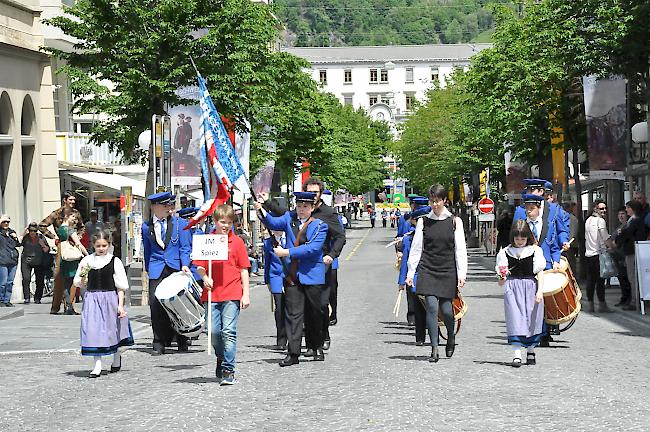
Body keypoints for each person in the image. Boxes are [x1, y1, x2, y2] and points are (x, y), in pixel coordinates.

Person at [255, 191, 328, 367]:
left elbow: (312, 249)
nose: (301, 209)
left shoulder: (319, 225)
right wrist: (262, 209)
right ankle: (293, 352)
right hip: (293, 276)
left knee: (314, 313)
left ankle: (316, 345)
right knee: (293, 315)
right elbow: (272, 222)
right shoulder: (289, 218)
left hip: (311, 275)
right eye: (299, 206)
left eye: (305, 206)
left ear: (312, 208)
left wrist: (287, 252)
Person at [185, 204, 250, 385]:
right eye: (223, 222)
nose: (226, 226)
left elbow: (244, 269)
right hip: (212, 294)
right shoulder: (207, 241)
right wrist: (204, 276)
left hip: (232, 291)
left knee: (228, 331)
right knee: (214, 332)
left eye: (229, 222)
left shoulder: (237, 242)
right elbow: (199, 265)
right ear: (215, 221)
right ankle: (221, 357)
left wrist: (246, 294)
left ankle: (229, 369)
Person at [406, 184, 468, 363]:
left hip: (447, 269)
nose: (434, 205)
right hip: (428, 268)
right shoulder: (423, 222)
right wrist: (411, 273)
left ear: (444, 201)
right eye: (432, 201)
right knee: (432, 307)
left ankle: (450, 336)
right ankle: (434, 348)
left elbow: (460, 250)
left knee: (447, 310)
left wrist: (462, 273)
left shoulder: (455, 222)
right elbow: (417, 249)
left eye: (437, 201)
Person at [73, 230, 134, 377]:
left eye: (104, 245)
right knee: (93, 331)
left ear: (109, 245)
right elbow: (78, 282)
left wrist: (120, 305)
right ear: (93, 245)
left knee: (112, 330)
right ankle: (97, 364)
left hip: (110, 299)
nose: (101, 248)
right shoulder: (87, 261)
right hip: (92, 299)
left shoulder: (115, 261)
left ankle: (116, 357)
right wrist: (83, 281)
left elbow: (121, 287)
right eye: (98, 245)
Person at [141, 191, 191, 355]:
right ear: (155, 207)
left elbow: (185, 247)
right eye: (165, 205)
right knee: (155, 306)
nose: (169, 208)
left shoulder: (180, 223)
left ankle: (182, 339)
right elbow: (147, 251)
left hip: (175, 267)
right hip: (157, 269)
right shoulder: (146, 226)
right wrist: (149, 269)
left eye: (170, 205)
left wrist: (185, 265)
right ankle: (158, 341)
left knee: (178, 305)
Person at [496, 220, 546, 367]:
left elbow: (540, 273)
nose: (519, 242)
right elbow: (500, 281)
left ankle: (531, 350)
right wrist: (502, 277)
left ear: (527, 238)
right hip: (512, 288)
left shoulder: (535, 251)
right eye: (517, 239)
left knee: (532, 319)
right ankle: (517, 353)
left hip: (531, 287)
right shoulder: (505, 253)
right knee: (515, 319)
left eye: (522, 239)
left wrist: (540, 291)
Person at [39, 191, 85, 314]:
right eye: (70, 200)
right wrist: (54, 236)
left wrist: (78, 237)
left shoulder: (76, 213)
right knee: (59, 277)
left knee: (73, 277)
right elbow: (42, 225)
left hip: (73, 246)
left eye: (74, 200)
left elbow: (81, 227)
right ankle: (56, 306)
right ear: (65, 200)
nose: (73, 202)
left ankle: (70, 306)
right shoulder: (57, 213)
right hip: (62, 246)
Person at [398, 216, 427, 345]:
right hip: (416, 275)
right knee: (417, 305)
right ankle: (420, 336)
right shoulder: (409, 239)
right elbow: (405, 261)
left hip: (434, 275)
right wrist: (402, 281)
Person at [616, 200, 647, 311]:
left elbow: (627, 234)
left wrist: (620, 235)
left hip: (633, 251)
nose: (626, 210)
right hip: (631, 251)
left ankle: (635, 301)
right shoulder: (632, 220)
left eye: (628, 208)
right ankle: (635, 299)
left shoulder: (635, 221)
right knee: (631, 277)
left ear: (632, 209)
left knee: (632, 277)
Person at [584, 199, 612, 313]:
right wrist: (612, 246)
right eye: (601, 208)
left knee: (590, 280)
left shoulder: (588, 220)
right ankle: (602, 304)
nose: (604, 210)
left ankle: (591, 304)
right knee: (600, 280)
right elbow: (605, 237)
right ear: (595, 208)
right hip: (598, 254)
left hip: (589, 253)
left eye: (605, 208)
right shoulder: (600, 221)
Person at [58, 212, 89, 314]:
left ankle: (68, 306)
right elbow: (78, 243)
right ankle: (70, 306)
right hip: (72, 259)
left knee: (67, 283)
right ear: (67, 217)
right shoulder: (69, 230)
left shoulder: (60, 229)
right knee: (74, 283)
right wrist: (87, 255)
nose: (74, 219)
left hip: (64, 257)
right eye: (73, 217)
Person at [264, 230, 288, 350]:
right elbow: (267, 262)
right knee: (279, 308)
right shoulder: (268, 242)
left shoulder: (291, 238)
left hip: (290, 276)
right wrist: (267, 280)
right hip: (275, 276)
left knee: (291, 307)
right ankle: (281, 339)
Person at [607, 207, 632, 307]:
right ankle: (624, 298)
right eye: (619, 214)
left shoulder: (627, 226)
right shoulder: (619, 227)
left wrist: (614, 244)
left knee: (625, 279)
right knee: (621, 278)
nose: (621, 216)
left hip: (623, 256)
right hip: (617, 256)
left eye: (623, 214)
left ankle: (627, 298)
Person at [20, 222, 50, 304]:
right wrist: (23, 233)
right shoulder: (25, 238)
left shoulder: (41, 237)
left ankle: (37, 298)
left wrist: (43, 245)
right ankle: (27, 298)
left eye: (34, 231)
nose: (32, 233)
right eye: (30, 231)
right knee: (26, 279)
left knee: (39, 281)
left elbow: (47, 250)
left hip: (39, 261)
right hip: (26, 261)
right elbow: (18, 243)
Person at [0, 215, 20, 307]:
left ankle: (7, 300)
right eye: (4, 222)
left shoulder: (12, 233)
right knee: (3, 282)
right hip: (2, 260)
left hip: (12, 261)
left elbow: (18, 244)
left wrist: (15, 238)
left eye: (8, 222)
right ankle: (1, 300)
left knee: (10, 282)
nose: (6, 223)